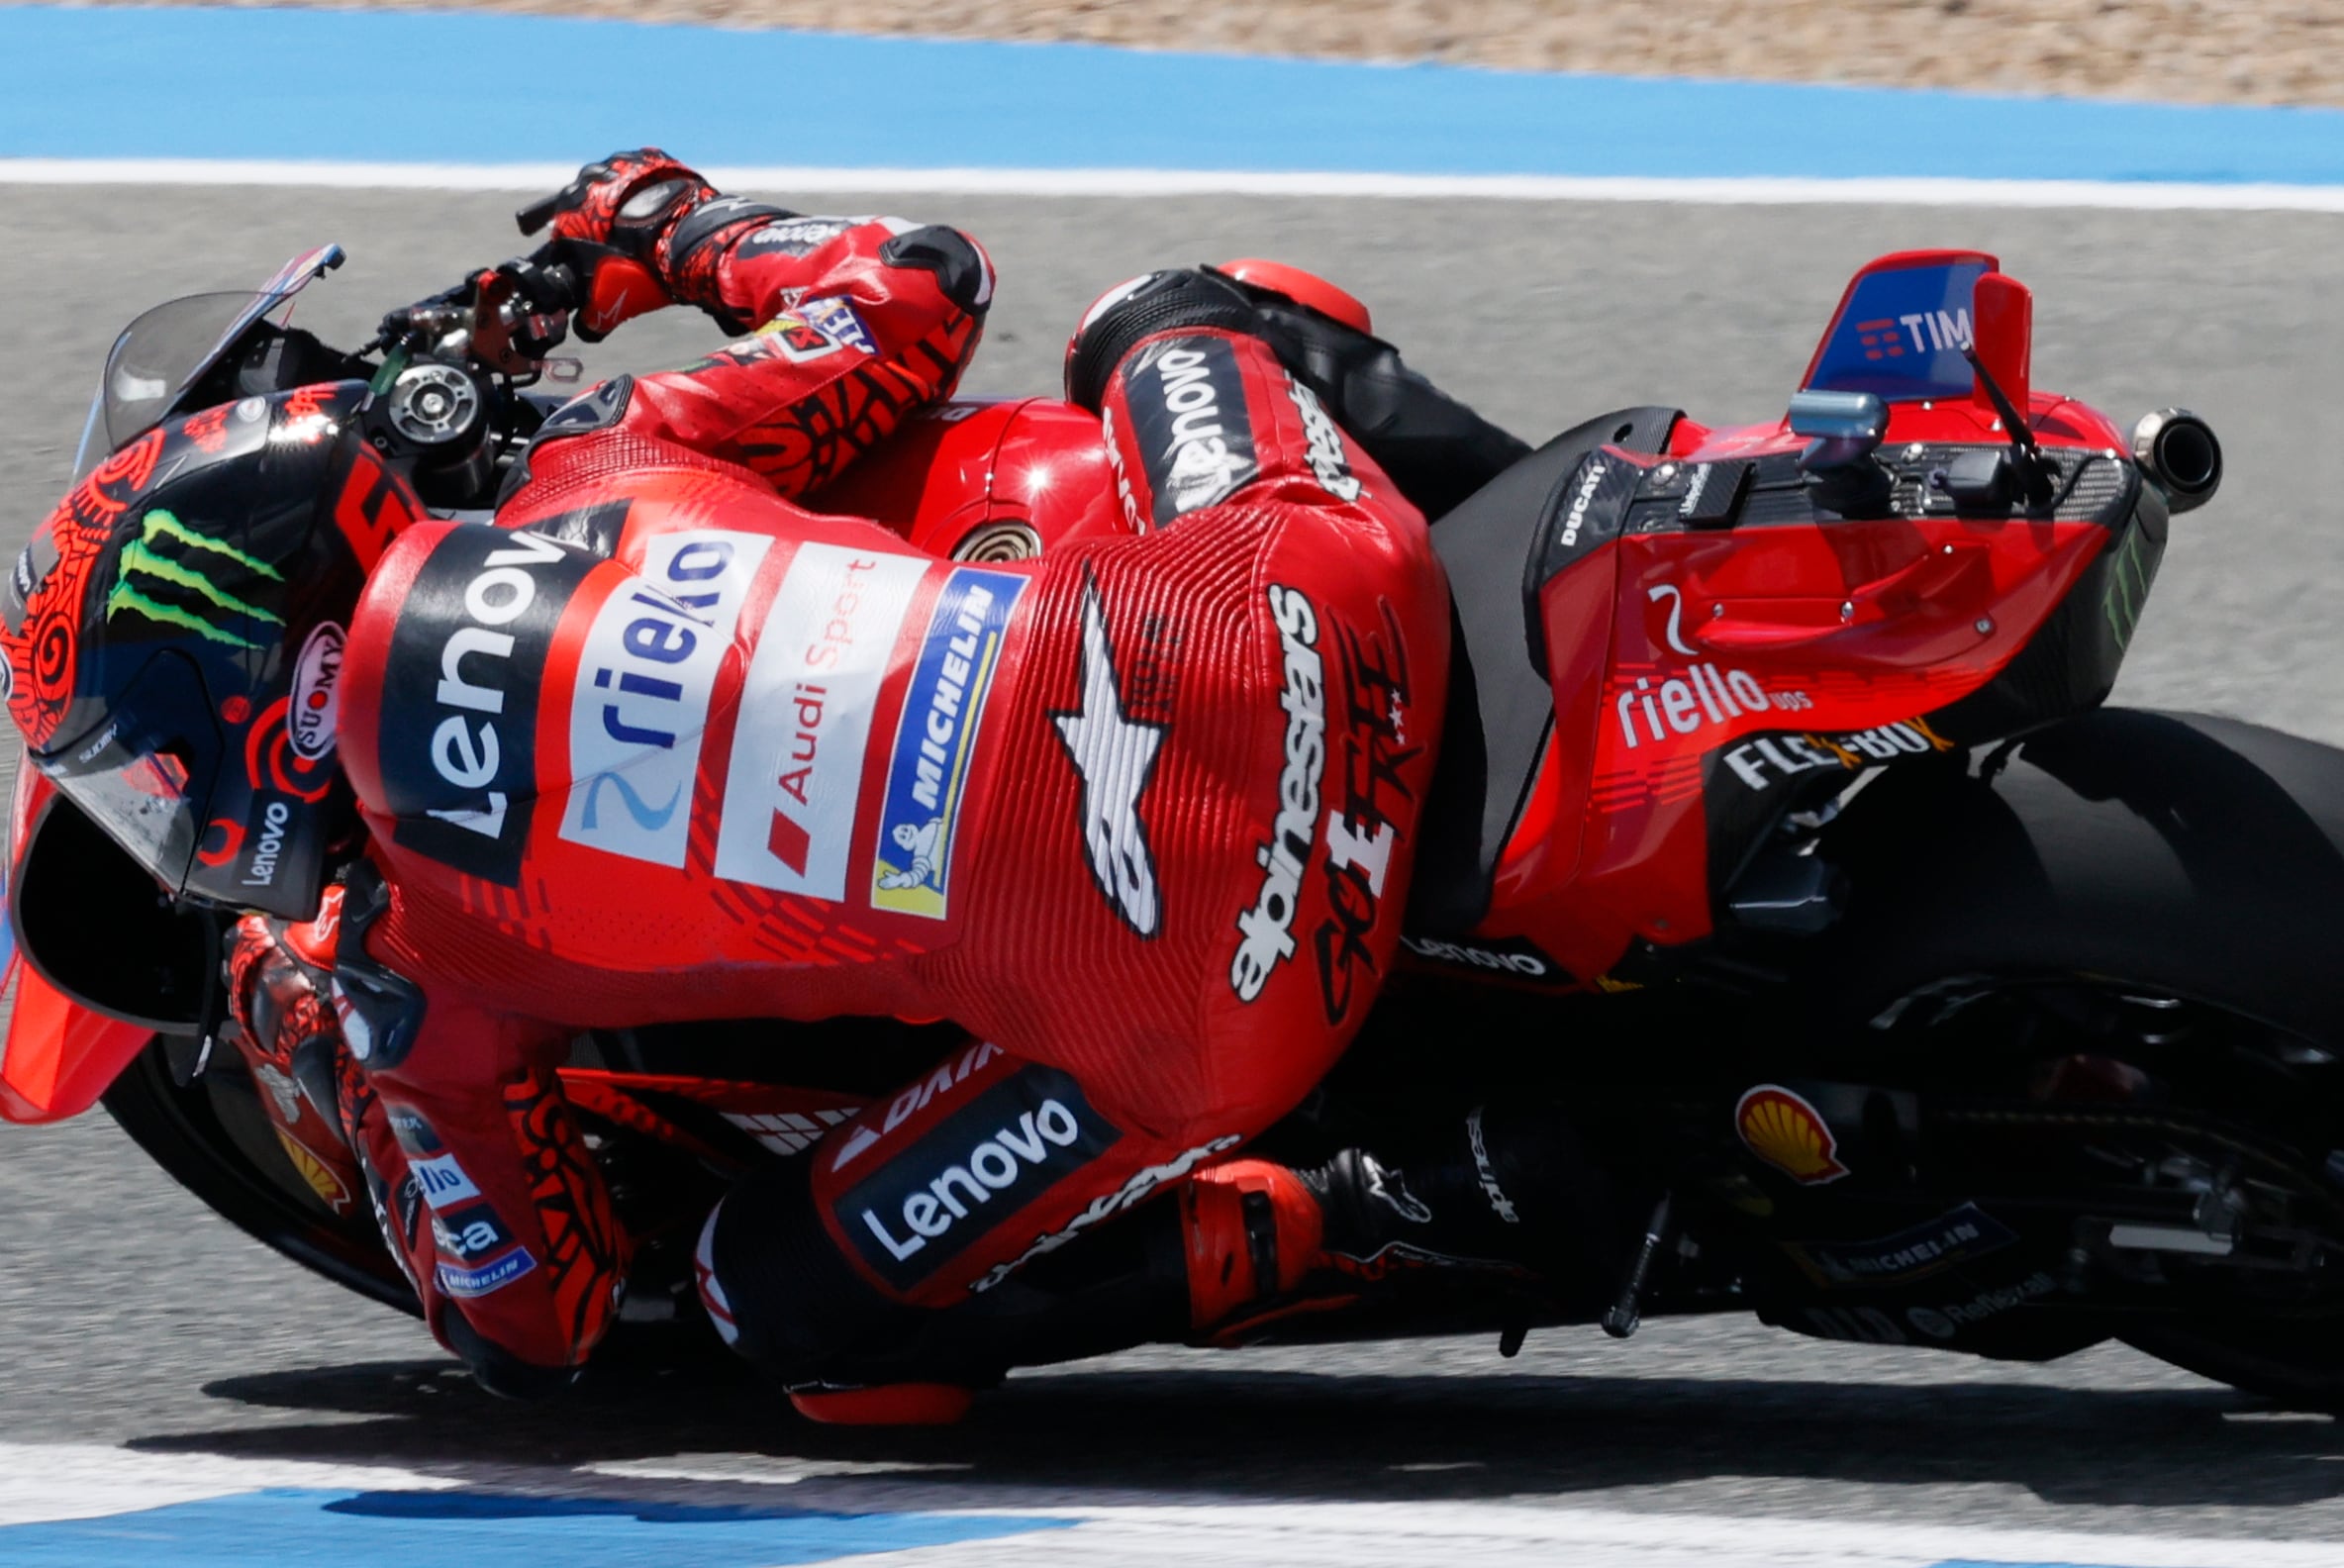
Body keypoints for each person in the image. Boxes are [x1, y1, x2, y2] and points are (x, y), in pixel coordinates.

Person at [6, 150, 1578, 1421]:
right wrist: (666, 228)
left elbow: (531, 1327)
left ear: (258, 697)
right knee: (1181, 306)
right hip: (1305, 604)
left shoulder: (414, 973)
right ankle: (1557, 551)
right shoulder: (596, 459)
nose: (166, 813)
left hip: (1213, 1009)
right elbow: (921, 283)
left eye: (149, 775)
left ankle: (1368, 1210)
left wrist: (324, 1030)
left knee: (782, 1314)